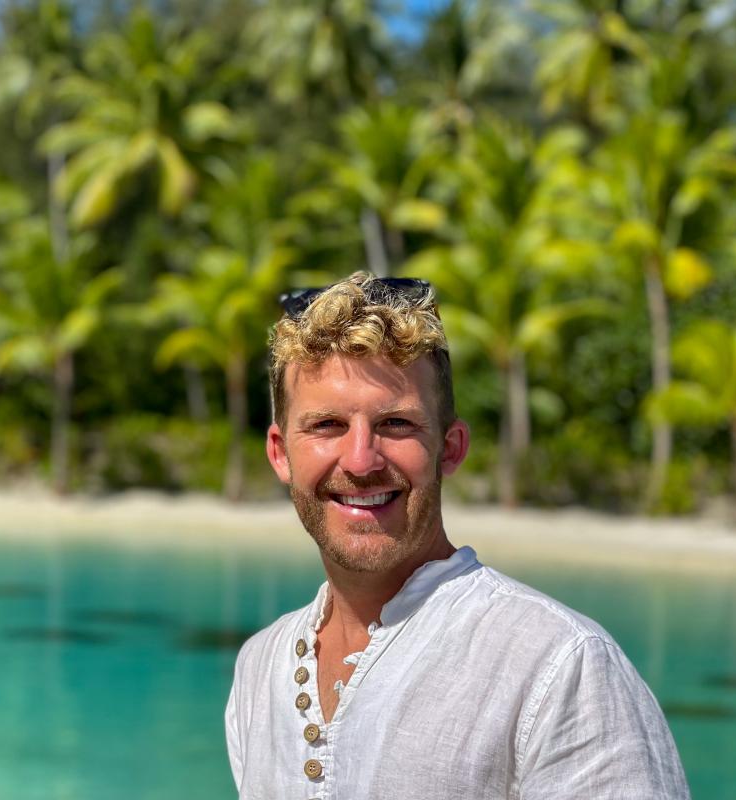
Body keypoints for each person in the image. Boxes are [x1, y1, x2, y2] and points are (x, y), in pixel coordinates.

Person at [224, 272, 689, 799]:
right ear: (281, 453)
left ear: (451, 448)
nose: (360, 460)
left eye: (396, 424)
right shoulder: (261, 667)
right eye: (327, 425)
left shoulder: (559, 665)